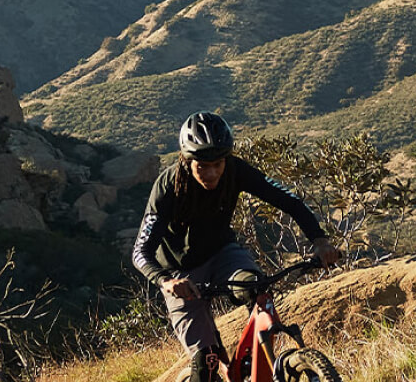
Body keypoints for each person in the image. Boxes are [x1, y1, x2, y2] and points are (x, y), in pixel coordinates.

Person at [132, 112, 342, 382]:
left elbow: (288, 200)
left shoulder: (235, 170)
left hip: (223, 255)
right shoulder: (168, 187)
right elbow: (140, 252)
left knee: (253, 286)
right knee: (206, 363)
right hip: (179, 273)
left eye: (217, 164)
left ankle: (256, 366)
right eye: (202, 166)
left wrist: (320, 241)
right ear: (186, 160)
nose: (212, 173)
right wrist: (167, 281)